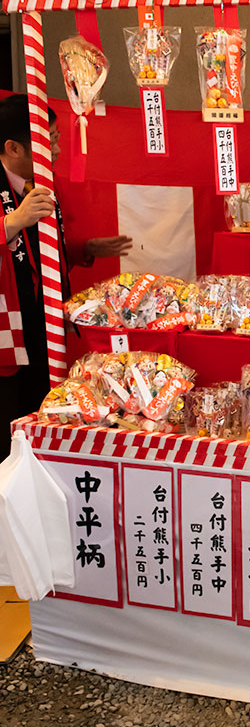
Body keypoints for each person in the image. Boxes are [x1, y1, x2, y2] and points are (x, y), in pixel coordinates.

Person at [0, 94, 132, 459]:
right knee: (10, 424)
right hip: (7, 331)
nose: (56, 149)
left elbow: (37, 250)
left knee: (44, 415)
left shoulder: (40, 181)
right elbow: (16, 233)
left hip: (45, 322)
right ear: (12, 147)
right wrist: (11, 222)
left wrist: (84, 249)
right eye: (49, 140)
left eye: (56, 137)